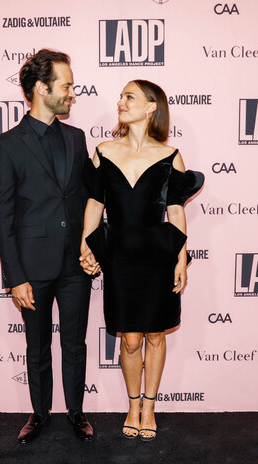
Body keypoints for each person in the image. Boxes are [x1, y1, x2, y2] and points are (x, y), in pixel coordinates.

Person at [79, 80, 203, 441]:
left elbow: (176, 212)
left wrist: (181, 258)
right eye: (120, 96)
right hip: (119, 256)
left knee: (155, 334)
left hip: (158, 256)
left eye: (129, 97)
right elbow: (94, 204)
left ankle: (148, 406)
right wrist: (86, 246)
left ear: (151, 107)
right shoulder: (103, 151)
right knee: (130, 339)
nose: (120, 102)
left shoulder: (171, 156)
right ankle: (132, 404)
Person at [0, 49, 93, 443]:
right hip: (31, 267)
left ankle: (77, 412)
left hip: (75, 265)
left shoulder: (77, 138)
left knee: (75, 342)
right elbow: (3, 216)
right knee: (37, 346)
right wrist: (15, 277)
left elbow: (87, 200)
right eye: (66, 86)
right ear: (40, 88)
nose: (72, 93)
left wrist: (91, 247)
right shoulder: (7, 145)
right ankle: (39, 413)